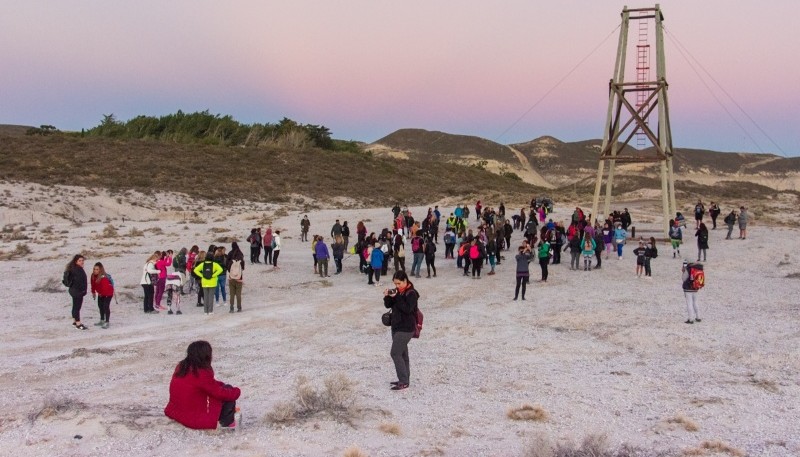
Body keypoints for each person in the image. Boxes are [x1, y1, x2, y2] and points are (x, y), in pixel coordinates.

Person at [164, 341, 241, 430]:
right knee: (228, 394)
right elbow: (218, 393)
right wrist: (237, 391)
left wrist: (221, 385)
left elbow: (207, 384)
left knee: (224, 388)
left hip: (176, 412)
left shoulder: (182, 366)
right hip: (191, 418)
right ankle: (227, 424)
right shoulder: (201, 372)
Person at [383, 271, 419, 391]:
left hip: (406, 328)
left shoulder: (412, 293)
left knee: (395, 353)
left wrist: (397, 296)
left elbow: (407, 309)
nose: (396, 286)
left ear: (405, 281)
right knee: (403, 354)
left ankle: (403, 381)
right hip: (396, 327)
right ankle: (405, 379)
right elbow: (388, 306)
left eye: (398, 283)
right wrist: (387, 296)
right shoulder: (397, 292)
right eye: (395, 284)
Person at [64, 254, 88, 330]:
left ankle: (75, 321)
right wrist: (83, 291)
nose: (81, 262)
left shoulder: (73, 268)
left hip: (73, 290)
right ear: (76, 261)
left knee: (75, 307)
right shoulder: (78, 270)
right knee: (77, 307)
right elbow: (80, 282)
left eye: (82, 260)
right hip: (77, 291)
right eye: (80, 261)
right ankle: (78, 324)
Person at [90, 262, 114, 328]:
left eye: (97, 269)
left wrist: (101, 294)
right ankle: (102, 320)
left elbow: (105, 288)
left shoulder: (103, 277)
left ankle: (107, 322)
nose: (95, 270)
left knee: (106, 306)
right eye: (94, 269)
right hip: (101, 293)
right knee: (100, 306)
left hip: (108, 293)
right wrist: (93, 292)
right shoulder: (93, 276)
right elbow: (93, 285)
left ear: (100, 270)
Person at [226, 242, 245, 313]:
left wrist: (230, 270)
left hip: (231, 276)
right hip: (239, 277)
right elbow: (243, 266)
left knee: (232, 294)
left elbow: (227, 264)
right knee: (238, 294)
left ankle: (231, 308)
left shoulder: (230, 253)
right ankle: (239, 307)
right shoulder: (240, 254)